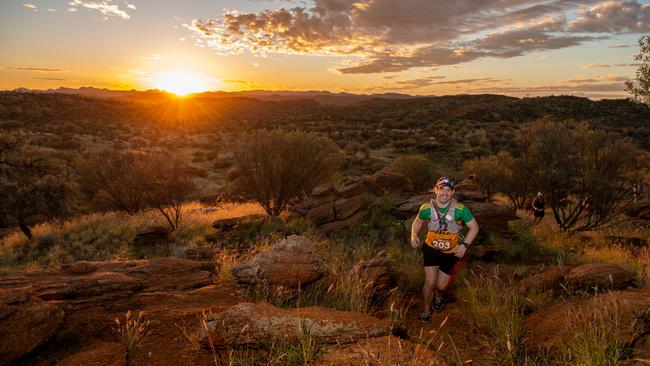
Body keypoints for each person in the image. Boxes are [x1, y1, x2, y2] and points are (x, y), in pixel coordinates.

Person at [410, 176, 479, 323]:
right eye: (442, 189)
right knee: (430, 282)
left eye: (448, 190)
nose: (445, 192)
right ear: (436, 190)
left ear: (452, 192)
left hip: (450, 253)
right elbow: (418, 221)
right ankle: (426, 311)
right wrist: (414, 234)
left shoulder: (461, 210)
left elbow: (474, 227)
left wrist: (465, 245)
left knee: (441, 286)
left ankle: (440, 295)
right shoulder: (426, 208)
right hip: (431, 249)